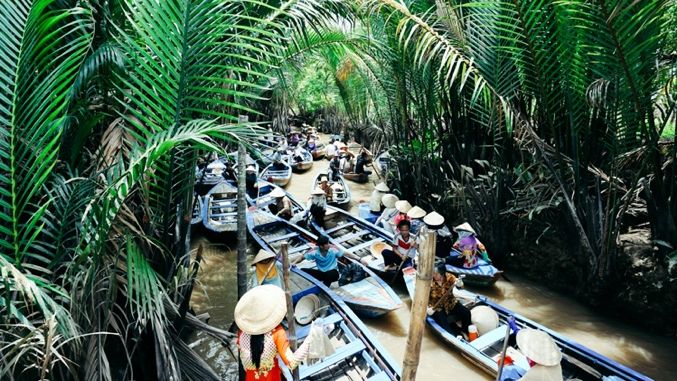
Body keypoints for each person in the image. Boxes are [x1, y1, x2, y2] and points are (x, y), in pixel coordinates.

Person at [235, 285, 315, 381]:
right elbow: (291, 363)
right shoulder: (276, 333)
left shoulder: (242, 333)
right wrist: (312, 337)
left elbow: (246, 361)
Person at [498, 328, 563, 381]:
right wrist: (515, 329)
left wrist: (506, 365)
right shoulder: (556, 364)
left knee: (505, 372)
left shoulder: (535, 373)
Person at [426, 263, 471, 336]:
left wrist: (460, 283)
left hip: (450, 302)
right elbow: (424, 297)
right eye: (433, 273)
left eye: (436, 274)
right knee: (444, 324)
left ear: (442, 273)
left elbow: (461, 287)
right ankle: (454, 336)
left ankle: (465, 330)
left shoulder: (449, 277)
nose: (434, 275)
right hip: (437, 307)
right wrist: (428, 307)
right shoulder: (429, 282)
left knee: (466, 312)